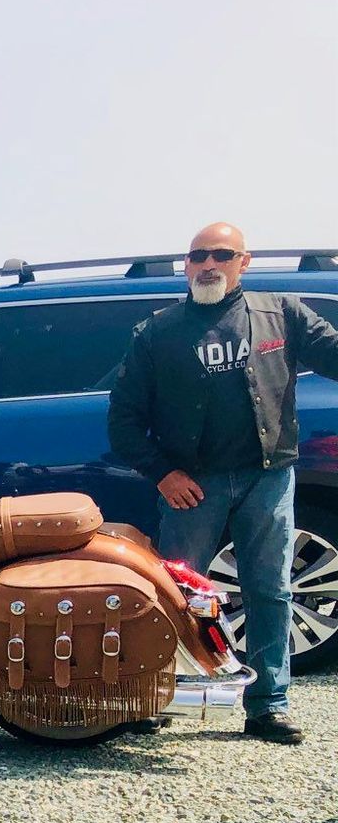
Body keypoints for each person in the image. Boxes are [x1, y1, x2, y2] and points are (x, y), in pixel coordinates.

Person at [108, 222, 338, 745]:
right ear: (187, 265)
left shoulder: (283, 313)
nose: (208, 264)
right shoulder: (156, 332)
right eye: (198, 256)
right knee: (173, 595)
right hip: (193, 486)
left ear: (243, 262)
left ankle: (268, 706)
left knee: (270, 591)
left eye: (222, 254)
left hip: (268, 478)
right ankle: (158, 696)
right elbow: (123, 420)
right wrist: (163, 474)